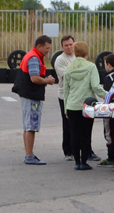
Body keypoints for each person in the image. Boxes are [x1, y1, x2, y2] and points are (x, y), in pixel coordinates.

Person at [61, 42, 106, 170]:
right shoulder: (91, 67)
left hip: (72, 105)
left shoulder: (69, 68)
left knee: (74, 134)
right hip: (87, 105)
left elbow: (66, 90)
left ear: (75, 52)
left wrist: (66, 108)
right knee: (86, 134)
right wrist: (108, 95)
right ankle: (84, 160)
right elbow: (95, 86)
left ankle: (77, 162)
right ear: (86, 52)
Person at [12, 36, 55, 164]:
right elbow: (34, 78)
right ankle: (29, 156)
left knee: (27, 126)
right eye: (47, 48)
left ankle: (29, 154)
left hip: (28, 94)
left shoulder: (32, 55)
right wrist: (48, 80)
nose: (48, 51)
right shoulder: (34, 58)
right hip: (32, 96)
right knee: (31, 127)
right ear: (39, 46)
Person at [51, 33, 77, 161]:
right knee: (67, 123)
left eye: (71, 44)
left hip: (78, 94)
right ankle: (68, 151)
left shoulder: (78, 57)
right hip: (64, 95)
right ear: (62, 47)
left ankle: (83, 149)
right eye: (66, 45)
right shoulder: (60, 60)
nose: (69, 47)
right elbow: (66, 76)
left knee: (80, 124)